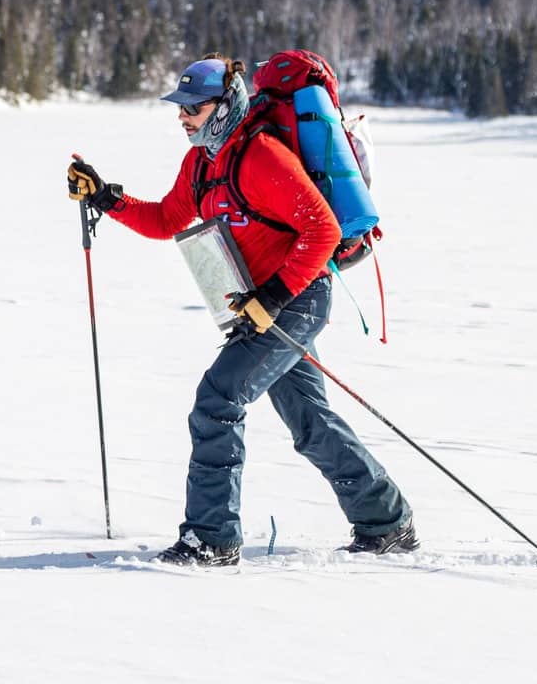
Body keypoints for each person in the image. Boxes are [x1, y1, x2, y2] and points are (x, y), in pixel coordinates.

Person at [66, 54, 415, 566]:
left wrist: (271, 300)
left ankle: (211, 538)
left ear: (225, 105)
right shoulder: (204, 161)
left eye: (194, 107)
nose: (183, 117)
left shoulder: (263, 156)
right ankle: (387, 522)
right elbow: (167, 218)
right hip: (262, 303)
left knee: (218, 401)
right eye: (180, 107)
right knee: (310, 420)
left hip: (295, 297)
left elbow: (324, 231)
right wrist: (106, 197)